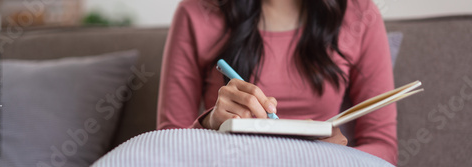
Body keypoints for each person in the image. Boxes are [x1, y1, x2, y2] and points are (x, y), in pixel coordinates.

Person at [157, 0, 397, 164]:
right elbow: (167, 142)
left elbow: (383, 146)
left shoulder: (359, 12)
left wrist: (335, 158)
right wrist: (210, 123)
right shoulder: (196, 12)